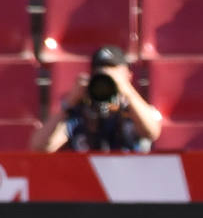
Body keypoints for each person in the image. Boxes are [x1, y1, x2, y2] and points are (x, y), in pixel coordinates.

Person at [30, 46, 162, 153]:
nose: (107, 79)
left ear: (129, 76)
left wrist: (126, 90)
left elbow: (151, 132)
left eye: (113, 72)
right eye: (101, 73)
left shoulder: (136, 109)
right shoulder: (79, 111)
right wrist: (70, 102)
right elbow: (41, 147)